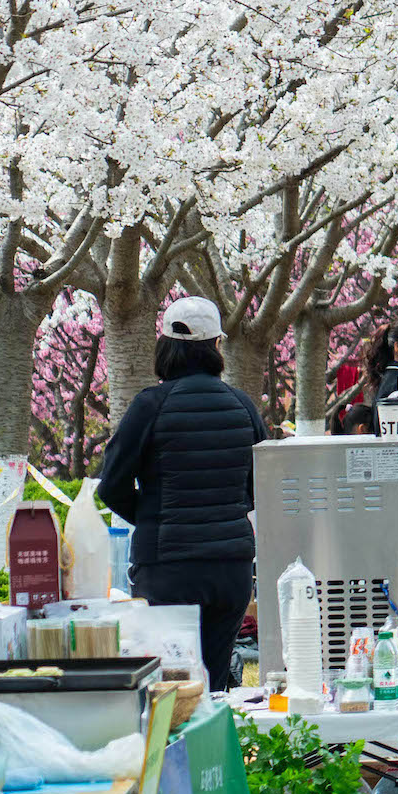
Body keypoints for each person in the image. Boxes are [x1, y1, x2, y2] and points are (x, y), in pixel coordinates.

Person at [97, 296, 271, 690]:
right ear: (215, 347)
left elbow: (112, 485)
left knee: (170, 688)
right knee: (213, 684)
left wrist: (150, 515)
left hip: (168, 568)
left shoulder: (150, 406)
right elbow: (261, 485)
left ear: (166, 347)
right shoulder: (242, 406)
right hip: (231, 568)